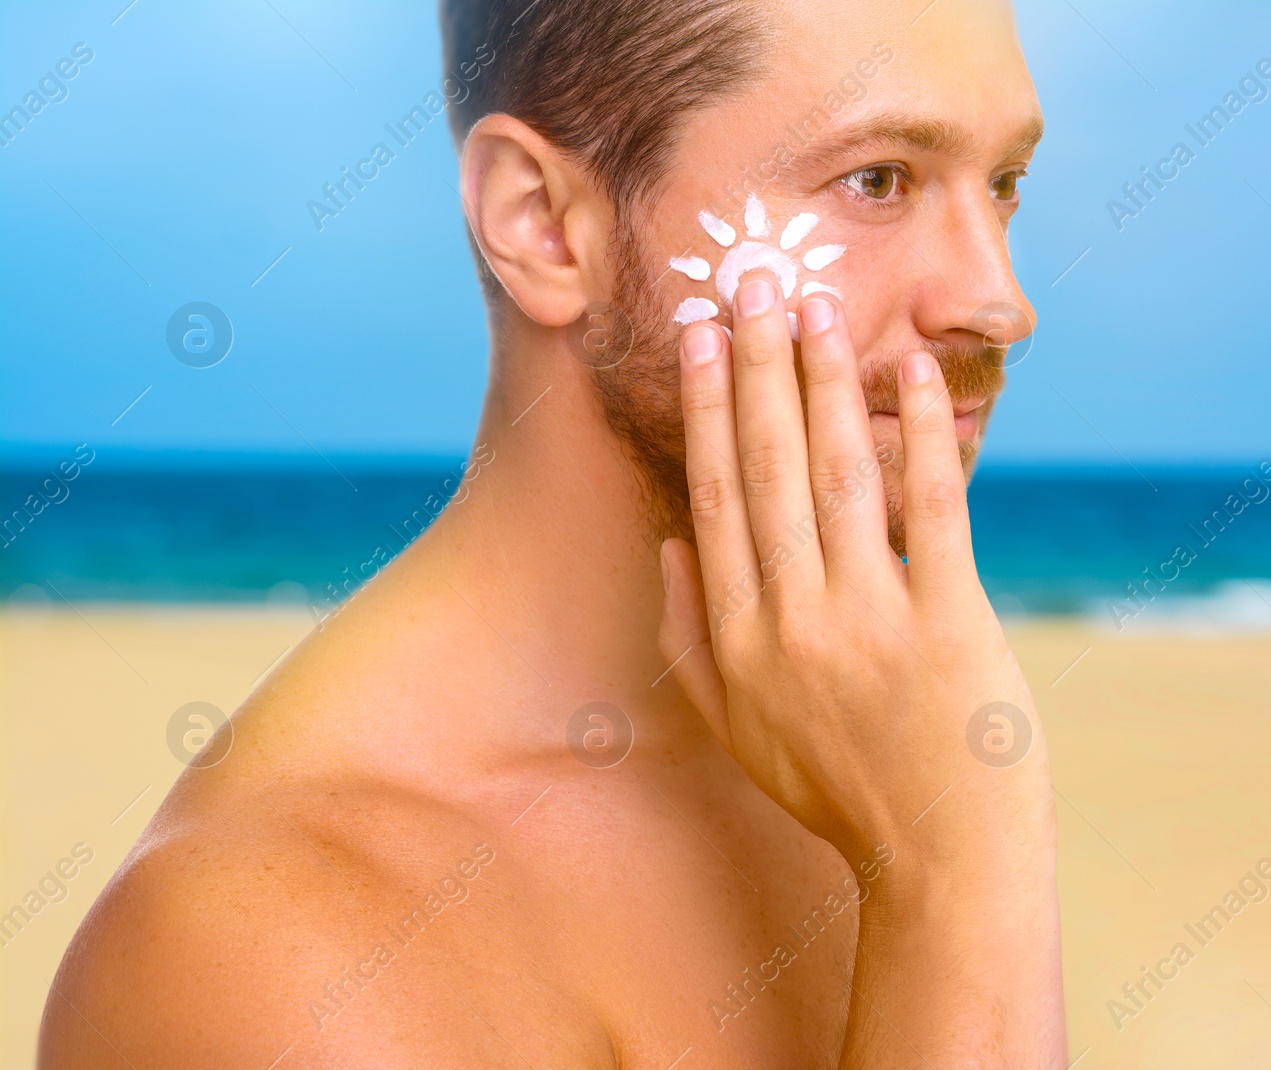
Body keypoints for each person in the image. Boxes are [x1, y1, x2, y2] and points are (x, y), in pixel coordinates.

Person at [40, 0, 1063, 1064]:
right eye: (878, 180)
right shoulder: (285, 960)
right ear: (543, 222)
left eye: (1002, 185)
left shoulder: (860, 753)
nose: (998, 301)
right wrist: (955, 879)